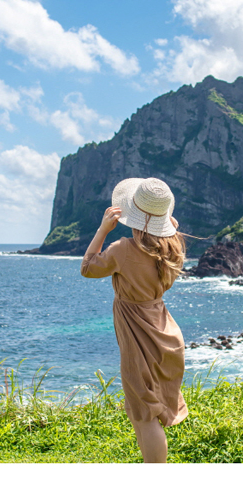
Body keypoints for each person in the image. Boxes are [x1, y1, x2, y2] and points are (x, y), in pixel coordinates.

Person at [80, 177, 188, 463]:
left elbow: (87, 268)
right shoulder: (171, 245)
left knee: (143, 413)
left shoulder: (123, 249)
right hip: (164, 329)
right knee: (140, 406)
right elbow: (172, 226)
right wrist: (164, 221)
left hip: (138, 333)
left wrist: (103, 229)